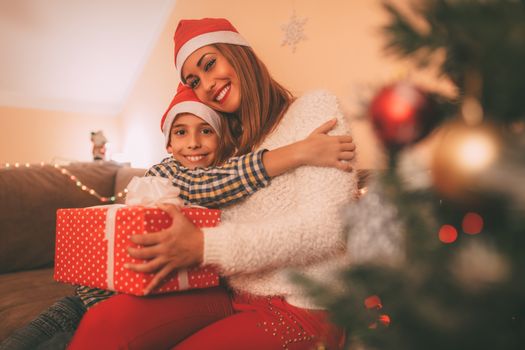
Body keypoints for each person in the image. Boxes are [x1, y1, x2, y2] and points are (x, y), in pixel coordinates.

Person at [0, 77, 354, 350]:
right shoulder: (167, 174)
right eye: (181, 133)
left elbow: (227, 180)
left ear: (222, 141)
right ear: (168, 144)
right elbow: (214, 184)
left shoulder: (231, 164)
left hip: (162, 293)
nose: (194, 142)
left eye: (205, 132)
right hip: (93, 297)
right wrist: (297, 153)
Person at [68, 17, 358, 350]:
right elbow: (203, 182)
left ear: (239, 54)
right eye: (194, 80)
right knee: (106, 322)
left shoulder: (314, 110)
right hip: (229, 293)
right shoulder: (226, 145)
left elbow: (328, 229)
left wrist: (205, 245)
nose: (206, 84)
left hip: (305, 304)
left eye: (209, 64)